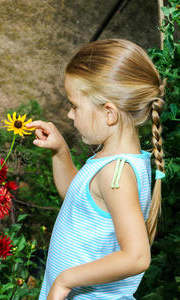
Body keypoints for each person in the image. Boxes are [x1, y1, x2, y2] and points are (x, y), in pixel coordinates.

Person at [27, 39, 165, 300]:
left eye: (75, 106)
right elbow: (76, 199)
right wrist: (60, 151)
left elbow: (136, 256)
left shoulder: (118, 175)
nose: (70, 114)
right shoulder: (111, 162)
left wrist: (65, 280)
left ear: (109, 113)